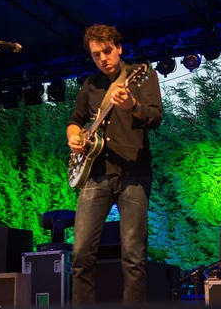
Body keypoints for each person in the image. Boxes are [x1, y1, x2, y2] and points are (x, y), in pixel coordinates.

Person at [67, 24, 163, 304]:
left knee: (133, 256)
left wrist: (132, 105)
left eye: (107, 51)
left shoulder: (140, 75)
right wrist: (74, 137)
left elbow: (155, 118)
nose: (102, 59)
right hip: (95, 175)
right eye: (96, 55)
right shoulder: (91, 85)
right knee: (81, 254)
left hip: (134, 175)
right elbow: (75, 119)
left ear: (119, 48)